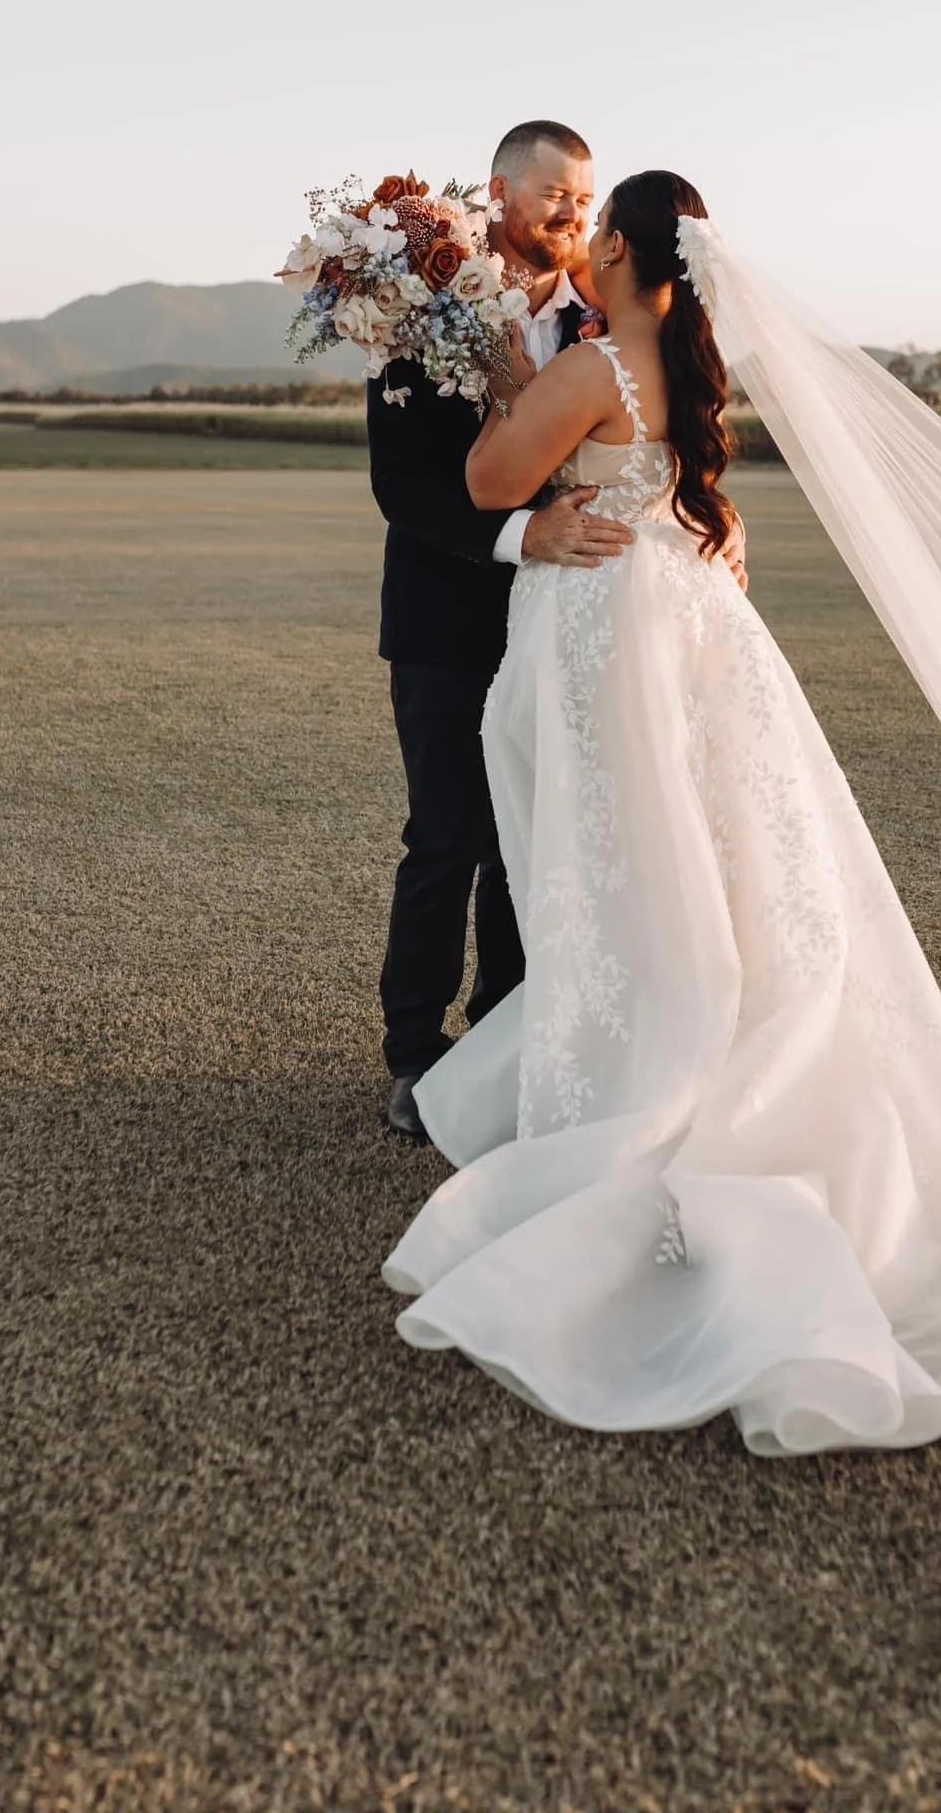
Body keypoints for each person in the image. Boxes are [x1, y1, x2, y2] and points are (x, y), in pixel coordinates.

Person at [382, 168, 941, 1450]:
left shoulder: (590, 367)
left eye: (593, 224)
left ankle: (645, 1074)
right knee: (704, 856)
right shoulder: (684, 365)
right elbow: (669, 492)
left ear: (616, 246)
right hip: (692, 626)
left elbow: (481, 481)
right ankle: (689, 1027)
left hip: (613, 638)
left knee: (618, 861)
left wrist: (508, 396)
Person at [366, 121, 634, 1142]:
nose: (571, 215)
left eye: (584, 198)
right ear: (498, 192)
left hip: (564, 621)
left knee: (534, 837)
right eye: (554, 195)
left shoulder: (600, 323)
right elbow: (406, 488)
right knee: (447, 837)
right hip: (446, 619)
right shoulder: (414, 312)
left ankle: (504, 1038)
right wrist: (525, 533)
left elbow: (654, 429)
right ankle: (414, 1051)